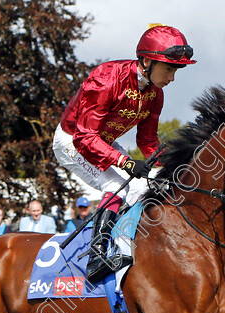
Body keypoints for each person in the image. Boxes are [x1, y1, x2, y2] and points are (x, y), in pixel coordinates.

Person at [53, 24, 196, 282]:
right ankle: (96, 256)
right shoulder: (106, 78)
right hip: (72, 141)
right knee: (116, 182)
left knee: (145, 187)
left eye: (176, 71)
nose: (172, 78)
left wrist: (173, 167)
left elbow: (148, 140)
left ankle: (125, 247)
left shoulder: (156, 94)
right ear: (146, 61)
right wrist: (126, 163)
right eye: (169, 69)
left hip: (103, 142)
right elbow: (85, 137)